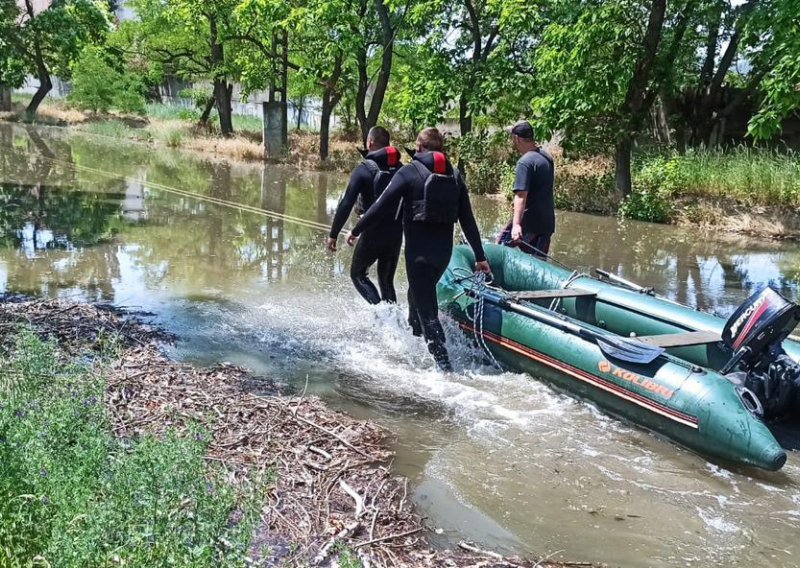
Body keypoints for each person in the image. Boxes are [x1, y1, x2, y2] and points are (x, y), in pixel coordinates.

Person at [346, 127, 490, 371]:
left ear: (420, 148)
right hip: (442, 256)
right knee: (416, 297)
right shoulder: (455, 176)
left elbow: (380, 206)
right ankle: (413, 344)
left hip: (418, 257)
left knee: (427, 312)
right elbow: (468, 220)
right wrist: (479, 256)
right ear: (441, 149)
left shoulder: (409, 172)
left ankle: (444, 370)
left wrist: (357, 229)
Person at [327, 126, 403, 304]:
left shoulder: (364, 169)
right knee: (386, 282)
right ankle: (396, 322)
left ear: (370, 143)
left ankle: (383, 318)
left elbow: (346, 203)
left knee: (358, 275)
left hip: (372, 231)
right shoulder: (401, 169)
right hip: (396, 233)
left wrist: (333, 234)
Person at [497, 120, 555, 258]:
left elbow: (521, 196)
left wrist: (516, 225)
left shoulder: (525, 162)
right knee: (539, 264)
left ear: (516, 139)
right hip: (547, 223)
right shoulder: (546, 157)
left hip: (528, 224)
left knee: (499, 250)